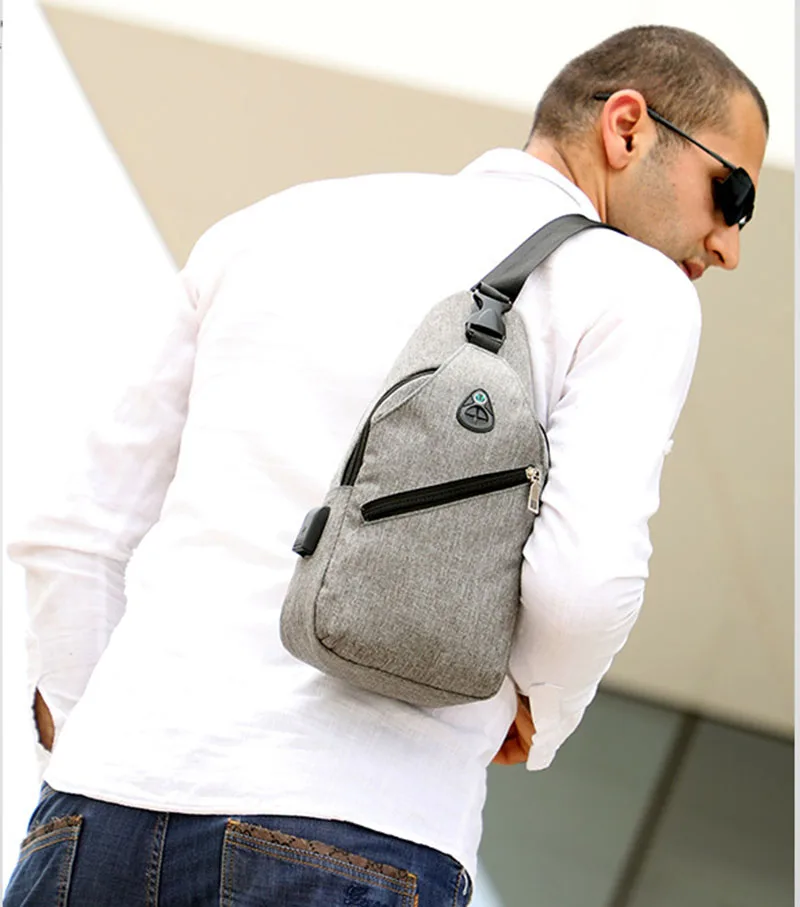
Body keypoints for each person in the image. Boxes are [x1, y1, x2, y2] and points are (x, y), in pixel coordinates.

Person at [5, 24, 767, 907]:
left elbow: (75, 533)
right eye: (732, 196)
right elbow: (583, 586)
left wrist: (96, 758)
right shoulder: (634, 289)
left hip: (92, 818)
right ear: (626, 127)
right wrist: (543, 712)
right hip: (352, 830)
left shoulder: (267, 228)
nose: (728, 246)